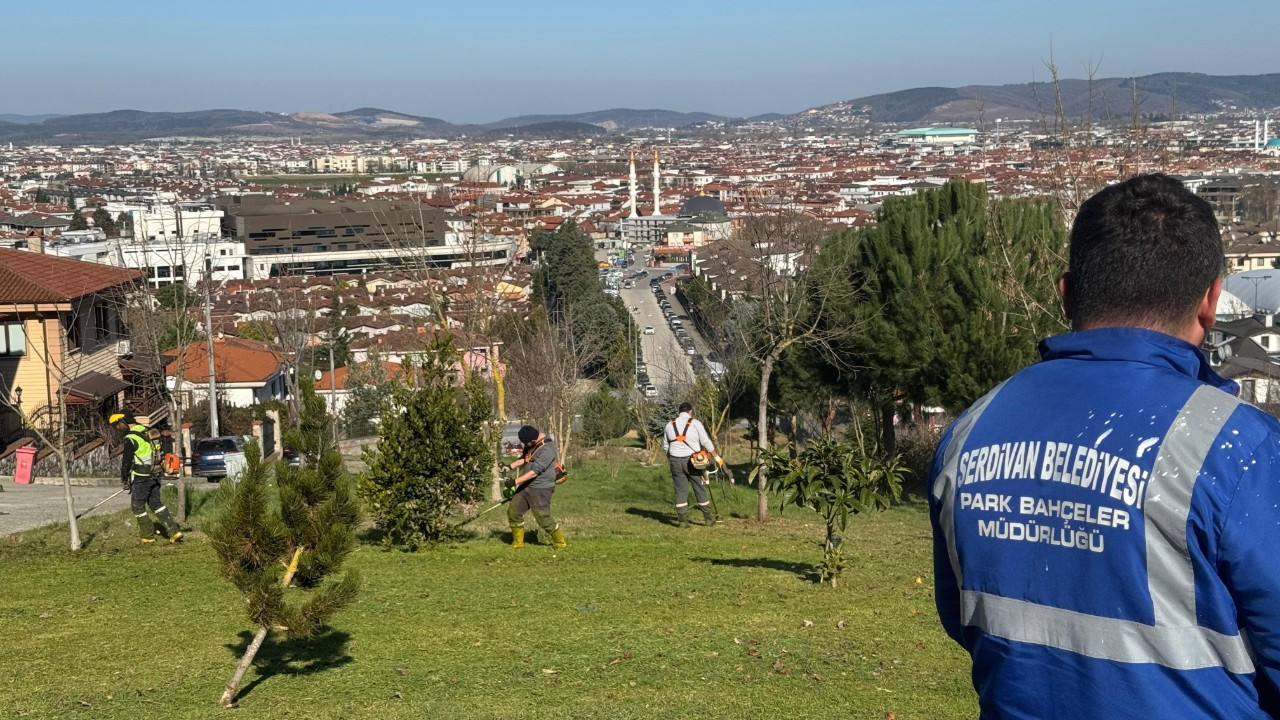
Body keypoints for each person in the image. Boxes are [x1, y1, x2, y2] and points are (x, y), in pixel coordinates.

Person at [929, 173, 1280, 719]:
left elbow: (965, 615)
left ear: (1067, 292)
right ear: (1212, 298)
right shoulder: (1236, 445)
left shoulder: (971, 429)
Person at [111, 413, 182, 545]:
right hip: (155, 475)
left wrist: (124, 478)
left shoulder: (131, 438)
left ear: (124, 421)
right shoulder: (147, 432)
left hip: (141, 477)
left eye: (118, 424)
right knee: (156, 504)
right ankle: (174, 531)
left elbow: (126, 461)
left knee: (137, 507)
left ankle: (148, 536)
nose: (117, 428)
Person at [504, 425, 566, 549]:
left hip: (541, 488)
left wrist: (515, 482)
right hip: (526, 485)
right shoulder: (530, 445)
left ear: (532, 440)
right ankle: (518, 543)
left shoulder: (548, 449)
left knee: (543, 517)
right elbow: (525, 459)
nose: (525, 446)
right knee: (513, 512)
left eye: (526, 443)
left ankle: (560, 542)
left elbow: (534, 472)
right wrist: (508, 467)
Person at [663, 402, 720, 528]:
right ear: (690, 412)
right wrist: (716, 457)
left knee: (680, 490)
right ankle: (708, 519)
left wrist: (672, 460)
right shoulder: (695, 423)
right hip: (693, 461)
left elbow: (666, 447)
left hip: (674, 460)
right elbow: (706, 441)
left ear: (679, 412)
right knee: (699, 488)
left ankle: (682, 521)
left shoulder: (669, 425)